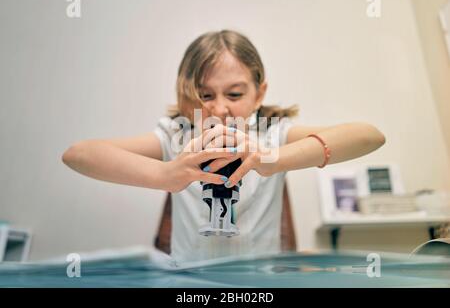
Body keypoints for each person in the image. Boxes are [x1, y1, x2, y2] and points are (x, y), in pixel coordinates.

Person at [62, 30, 385, 263]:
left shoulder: (272, 133)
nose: (219, 109)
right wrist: (165, 173)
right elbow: (78, 154)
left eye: (234, 94)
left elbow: (368, 135)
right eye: (205, 95)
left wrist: (272, 157)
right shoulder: (179, 134)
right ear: (186, 96)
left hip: (259, 283)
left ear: (259, 94)